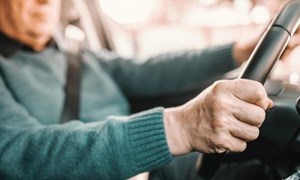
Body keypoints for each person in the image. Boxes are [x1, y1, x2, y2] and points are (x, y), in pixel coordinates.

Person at [0, 0, 298, 179]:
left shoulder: (80, 55)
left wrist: (241, 50)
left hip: (154, 168)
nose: (44, 2)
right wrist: (180, 128)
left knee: (282, 133)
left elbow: (155, 70)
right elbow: (20, 151)